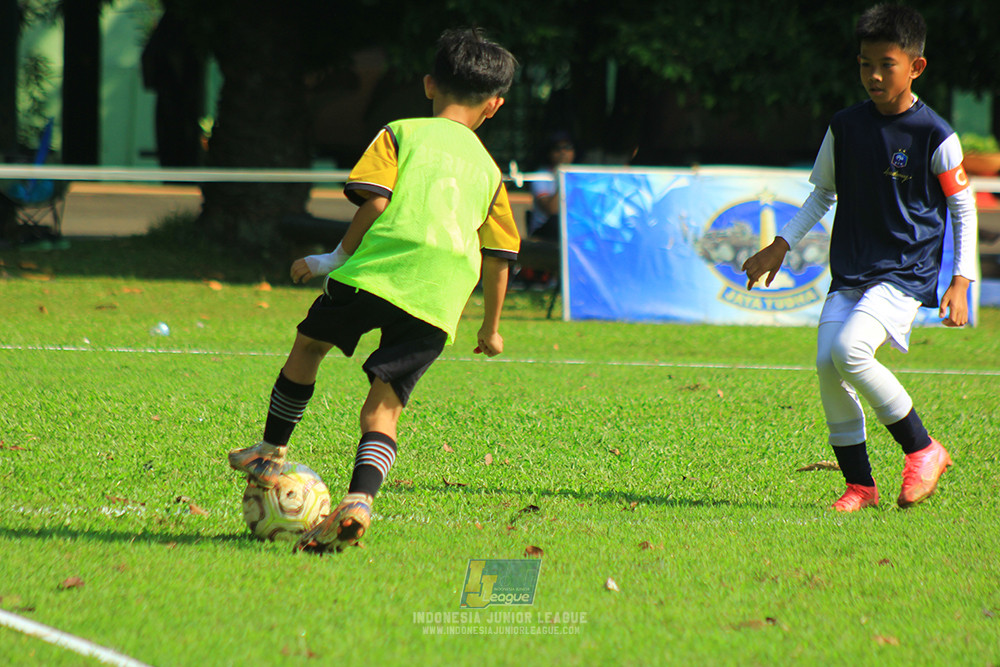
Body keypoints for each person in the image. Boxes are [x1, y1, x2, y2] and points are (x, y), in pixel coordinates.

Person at [228, 28, 519, 552]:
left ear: (430, 84)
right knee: (383, 410)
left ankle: (271, 449)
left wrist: (333, 258)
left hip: (380, 269)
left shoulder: (401, 133)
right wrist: (491, 328)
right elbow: (500, 256)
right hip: (440, 292)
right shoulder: (491, 171)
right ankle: (360, 500)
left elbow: (377, 202)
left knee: (309, 346)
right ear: (494, 106)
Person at [742, 4, 978, 512]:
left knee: (850, 351)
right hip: (852, 269)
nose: (873, 75)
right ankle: (860, 487)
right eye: (865, 63)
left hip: (905, 271)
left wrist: (961, 280)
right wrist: (780, 244)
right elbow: (820, 196)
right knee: (829, 364)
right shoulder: (845, 126)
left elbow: (963, 206)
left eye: (886, 64)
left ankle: (923, 449)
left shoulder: (934, 134)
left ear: (915, 66)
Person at [528, 130, 575, 241]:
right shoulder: (541, 176)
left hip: (571, 227)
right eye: (558, 149)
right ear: (550, 153)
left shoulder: (578, 175)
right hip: (545, 229)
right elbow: (552, 209)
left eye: (567, 147)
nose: (563, 152)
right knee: (557, 220)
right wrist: (563, 175)